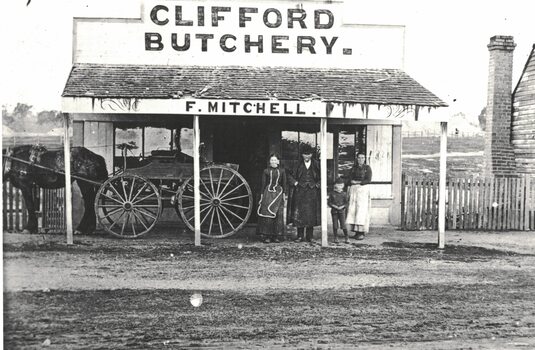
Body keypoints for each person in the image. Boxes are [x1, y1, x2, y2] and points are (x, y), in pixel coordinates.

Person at [287, 144, 321, 243]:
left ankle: (310, 236)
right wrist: (295, 182)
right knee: (300, 214)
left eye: (309, 154)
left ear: (311, 155)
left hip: (312, 192)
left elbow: (323, 176)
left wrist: (317, 185)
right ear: (302, 155)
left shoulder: (316, 164)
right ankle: (300, 236)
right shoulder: (297, 164)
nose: (307, 156)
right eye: (305, 154)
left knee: (311, 214)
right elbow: (288, 175)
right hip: (299, 192)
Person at [257, 153, 288, 243]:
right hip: (268, 194)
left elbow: (284, 183)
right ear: (269, 162)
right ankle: (267, 236)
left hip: (278, 194)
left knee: (277, 214)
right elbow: (263, 184)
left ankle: (276, 236)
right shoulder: (266, 171)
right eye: (272, 160)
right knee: (267, 214)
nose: (273, 162)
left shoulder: (282, 171)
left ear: (278, 162)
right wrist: (262, 195)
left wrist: (284, 194)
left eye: (275, 160)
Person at [346, 153, 372, 240]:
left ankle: (361, 232)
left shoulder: (367, 168)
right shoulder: (353, 168)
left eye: (362, 158)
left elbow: (368, 180)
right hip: (354, 191)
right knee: (354, 210)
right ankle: (356, 231)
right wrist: (351, 183)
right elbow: (349, 179)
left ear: (364, 159)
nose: (361, 159)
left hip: (363, 190)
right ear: (356, 159)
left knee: (361, 210)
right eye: (359, 158)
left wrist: (358, 182)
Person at [328, 177, 349, 243]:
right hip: (334, 211)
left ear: (343, 186)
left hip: (341, 211)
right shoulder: (332, 194)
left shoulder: (344, 194)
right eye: (337, 184)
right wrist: (334, 206)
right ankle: (335, 237)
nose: (338, 186)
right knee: (335, 225)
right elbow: (329, 202)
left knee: (343, 225)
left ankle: (346, 237)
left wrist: (342, 207)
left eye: (340, 185)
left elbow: (346, 203)